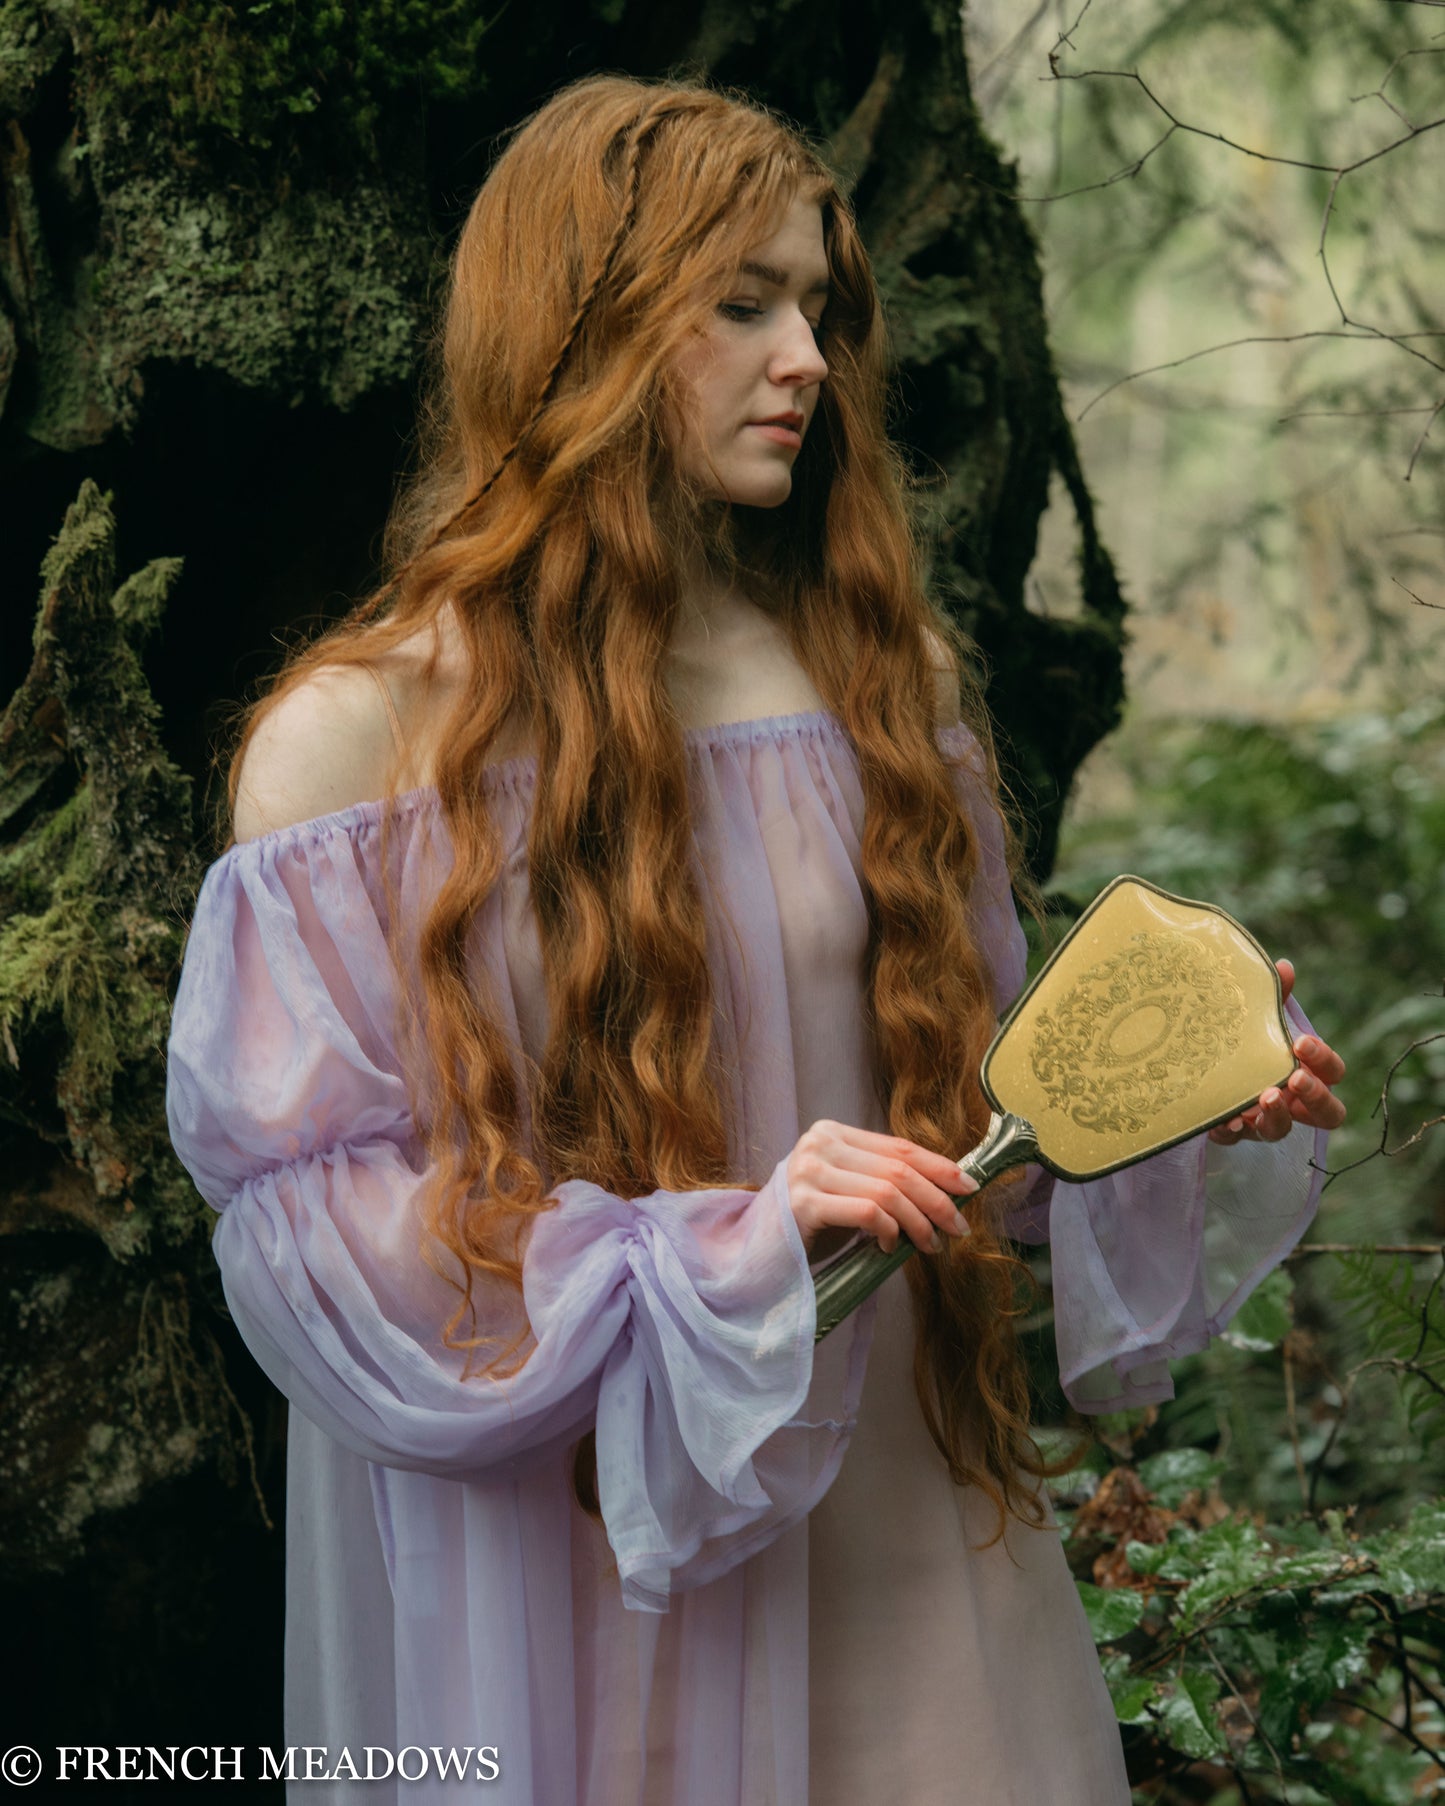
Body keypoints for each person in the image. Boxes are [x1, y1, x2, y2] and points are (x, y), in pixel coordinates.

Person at [165, 74, 1346, 1805]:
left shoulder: (882, 694)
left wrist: (1151, 1109)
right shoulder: (354, 749)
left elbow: (969, 1145)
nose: (805, 355)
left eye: (815, 306)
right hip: (580, 1575)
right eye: (741, 305)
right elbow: (321, 1258)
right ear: (580, 323)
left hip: (896, 1526)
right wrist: (710, 1254)